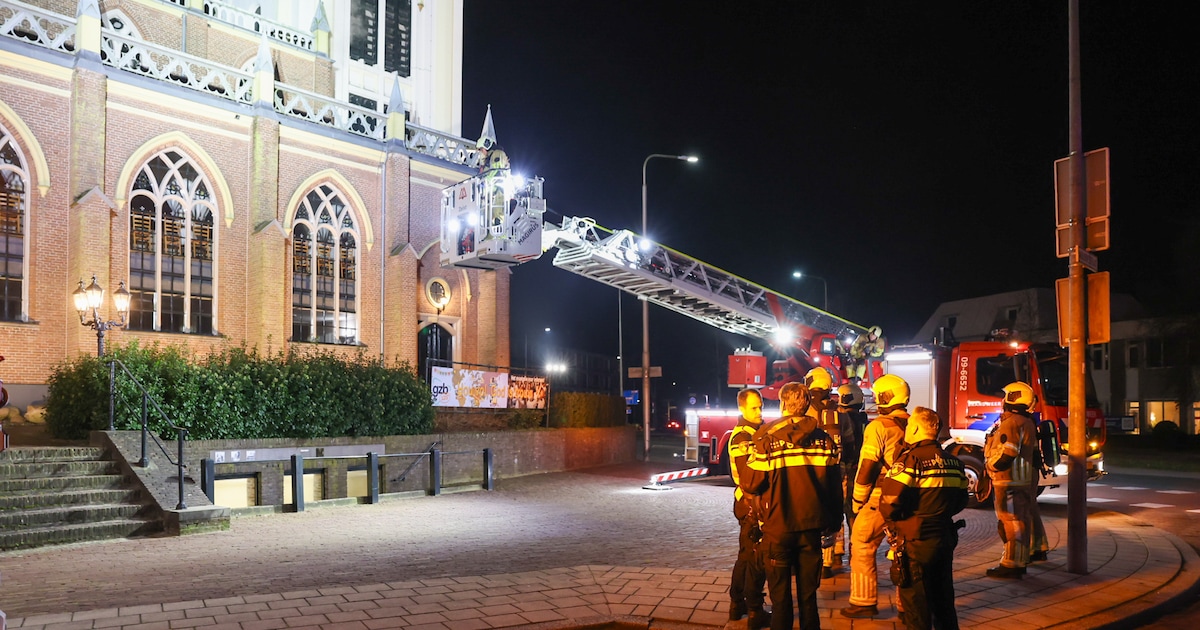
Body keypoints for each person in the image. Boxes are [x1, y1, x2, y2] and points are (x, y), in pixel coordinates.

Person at [741, 382, 842, 630]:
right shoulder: (825, 441)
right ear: (806, 404)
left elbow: (751, 483)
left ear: (783, 403)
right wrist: (834, 524)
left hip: (778, 528)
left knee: (781, 598)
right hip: (811, 529)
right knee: (809, 597)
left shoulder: (766, 440)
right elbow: (834, 489)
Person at [879, 407, 969, 630]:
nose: (907, 430)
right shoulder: (955, 463)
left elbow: (889, 503)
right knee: (944, 603)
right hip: (943, 539)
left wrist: (903, 517)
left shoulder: (909, 462)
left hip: (914, 543)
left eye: (909, 426)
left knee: (917, 608)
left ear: (917, 428)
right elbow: (961, 501)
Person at [842, 373, 911, 619]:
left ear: (884, 397)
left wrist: (858, 501)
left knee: (861, 540)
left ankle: (864, 601)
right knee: (905, 549)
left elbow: (867, 467)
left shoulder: (879, 426)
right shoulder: (913, 424)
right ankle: (907, 607)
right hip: (911, 496)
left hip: (882, 495)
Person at [984, 381, 1049, 579]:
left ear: (1013, 398)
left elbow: (1008, 452)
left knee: (1011, 522)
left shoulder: (1011, 422)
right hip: (1024, 480)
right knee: (1023, 518)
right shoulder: (1027, 421)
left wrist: (990, 467)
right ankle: (1034, 550)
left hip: (1008, 481)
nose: (1002, 400)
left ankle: (1012, 564)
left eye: (1006, 396)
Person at [803, 367, 858, 579]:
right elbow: (850, 444)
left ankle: (819, 561)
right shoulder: (840, 413)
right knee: (836, 511)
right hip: (838, 470)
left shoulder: (806, 411)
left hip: (812, 472)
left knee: (817, 513)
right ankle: (835, 555)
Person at [727, 388, 769, 628]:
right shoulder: (743, 436)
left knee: (746, 554)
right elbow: (748, 478)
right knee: (752, 557)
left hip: (748, 503)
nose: (759, 411)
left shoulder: (753, 432)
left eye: (760, 406)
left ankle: (737, 604)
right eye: (753, 407)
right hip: (750, 503)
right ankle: (750, 606)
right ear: (741, 408)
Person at [836, 382, 869, 563]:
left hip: (842, 471)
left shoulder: (837, 419)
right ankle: (855, 551)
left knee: (838, 510)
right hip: (858, 471)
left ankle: (836, 552)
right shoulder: (864, 420)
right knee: (854, 513)